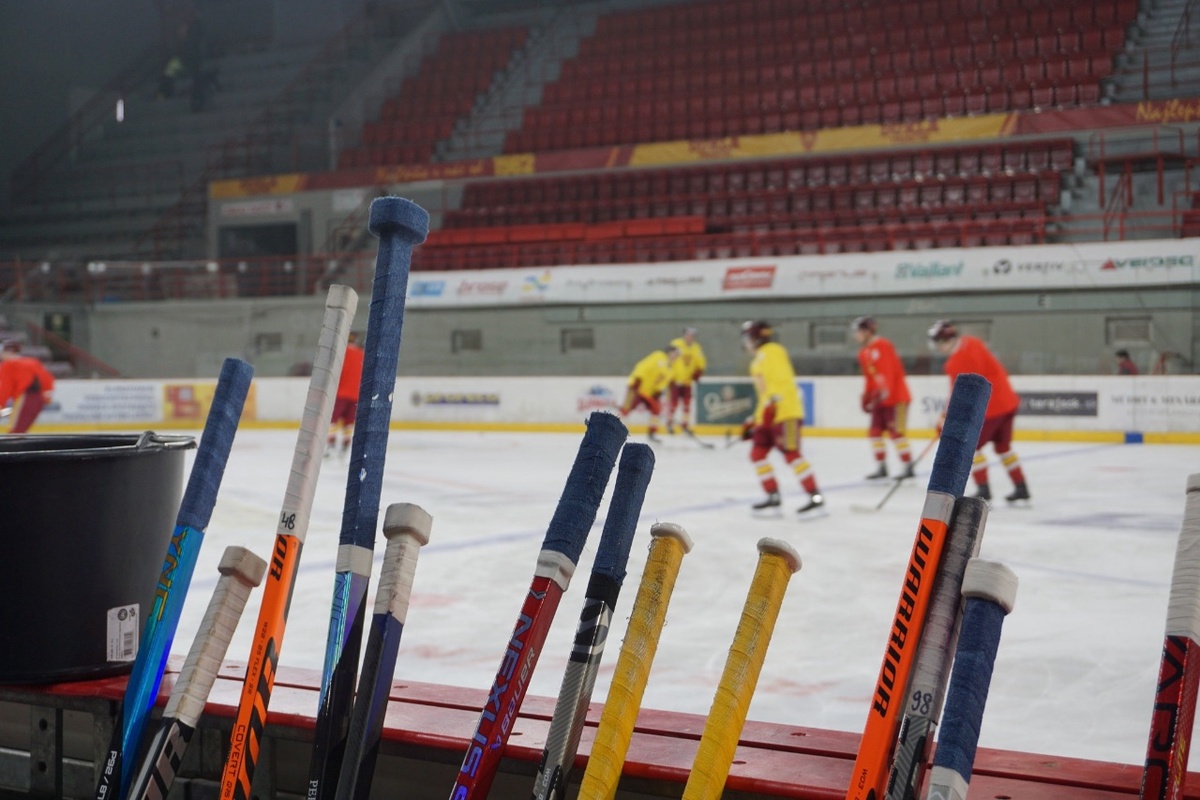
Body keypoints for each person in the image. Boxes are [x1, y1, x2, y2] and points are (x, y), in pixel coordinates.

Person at [928, 320, 1030, 503]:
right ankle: (1021, 487)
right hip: (1008, 402)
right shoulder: (972, 341)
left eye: (939, 342)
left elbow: (958, 395)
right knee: (1003, 447)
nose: (938, 347)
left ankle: (984, 490)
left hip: (991, 408)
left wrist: (945, 418)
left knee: (972, 447)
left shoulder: (954, 363)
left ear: (946, 340)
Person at [739, 320, 824, 516]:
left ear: (756, 337)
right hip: (770, 414)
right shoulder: (758, 360)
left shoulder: (773, 351)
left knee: (791, 454)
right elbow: (765, 392)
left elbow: (780, 384)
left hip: (784, 413)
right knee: (758, 454)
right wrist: (756, 419)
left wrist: (771, 407)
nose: (746, 343)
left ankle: (815, 498)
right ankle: (773, 497)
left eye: (748, 338)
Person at [852, 316, 914, 480]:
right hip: (879, 399)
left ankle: (908, 466)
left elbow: (888, 372)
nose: (855, 335)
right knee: (875, 432)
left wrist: (883, 392)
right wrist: (867, 396)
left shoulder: (883, 345)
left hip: (896, 397)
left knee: (896, 433)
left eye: (858, 331)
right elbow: (869, 378)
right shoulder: (863, 352)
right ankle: (881, 467)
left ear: (867, 331)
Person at [620, 343, 679, 443]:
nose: (676, 357)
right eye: (675, 354)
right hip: (638, 388)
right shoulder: (658, 356)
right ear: (670, 352)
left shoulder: (671, 369)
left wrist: (657, 392)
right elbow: (643, 366)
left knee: (656, 409)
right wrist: (637, 379)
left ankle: (652, 433)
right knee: (626, 409)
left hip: (648, 393)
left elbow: (661, 383)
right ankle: (610, 427)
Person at [0, 342, 56, 434]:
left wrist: (1, 404)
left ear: (7, 352)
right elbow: (47, 379)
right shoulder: (32, 362)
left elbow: (5, 387)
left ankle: (12, 448)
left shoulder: (8, 365)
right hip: (38, 399)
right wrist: (47, 394)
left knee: (15, 431)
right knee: (21, 429)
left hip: (25, 397)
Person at [328, 331, 364, 457]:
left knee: (333, 420)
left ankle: (330, 445)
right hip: (356, 395)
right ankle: (345, 446)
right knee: (349, 422)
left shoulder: (341, 354)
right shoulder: (362, 355)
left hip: (341, 393)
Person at [665, 326, 707, 435]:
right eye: (688, 335)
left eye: (692, 336)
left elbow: (700, 362)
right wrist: (668, 376)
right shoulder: (676, 344)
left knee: (687, 404)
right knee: (673, 403)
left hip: (687, 382)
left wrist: (698, 371)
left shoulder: (696, 348)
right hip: (675, 380)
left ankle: (685, 425)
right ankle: (669, 423)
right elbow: (668, 359)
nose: (690, 337)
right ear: (684, 335)